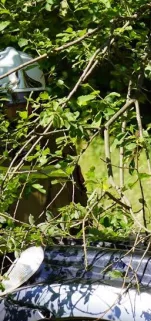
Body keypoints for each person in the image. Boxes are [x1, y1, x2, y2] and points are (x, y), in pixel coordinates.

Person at [1, 46, 87, 223]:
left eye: (30, 101)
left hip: (55, 246)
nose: (25, 110)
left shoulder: (55, 135)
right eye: (12, 106)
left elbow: (77, 201)